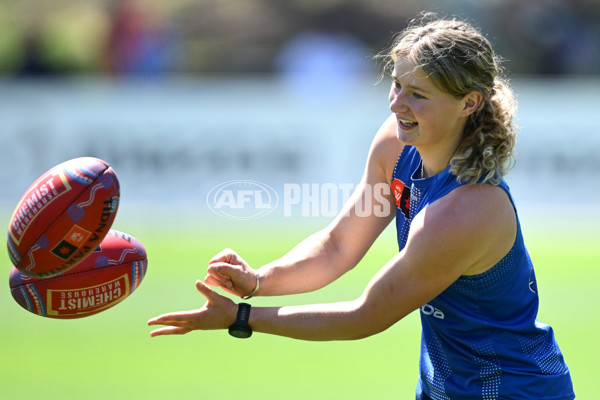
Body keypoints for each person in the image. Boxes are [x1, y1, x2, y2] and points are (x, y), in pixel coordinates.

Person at [148, 15, 575, 400]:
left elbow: (366, 315)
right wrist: (260, 280)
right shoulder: (397, 145)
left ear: (469, 103)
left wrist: (243, 317)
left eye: (418, 95)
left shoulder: (467, 211)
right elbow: (338, 246)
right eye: (397, 85)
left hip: (517, 392)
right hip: (443, 389)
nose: (396, 104)